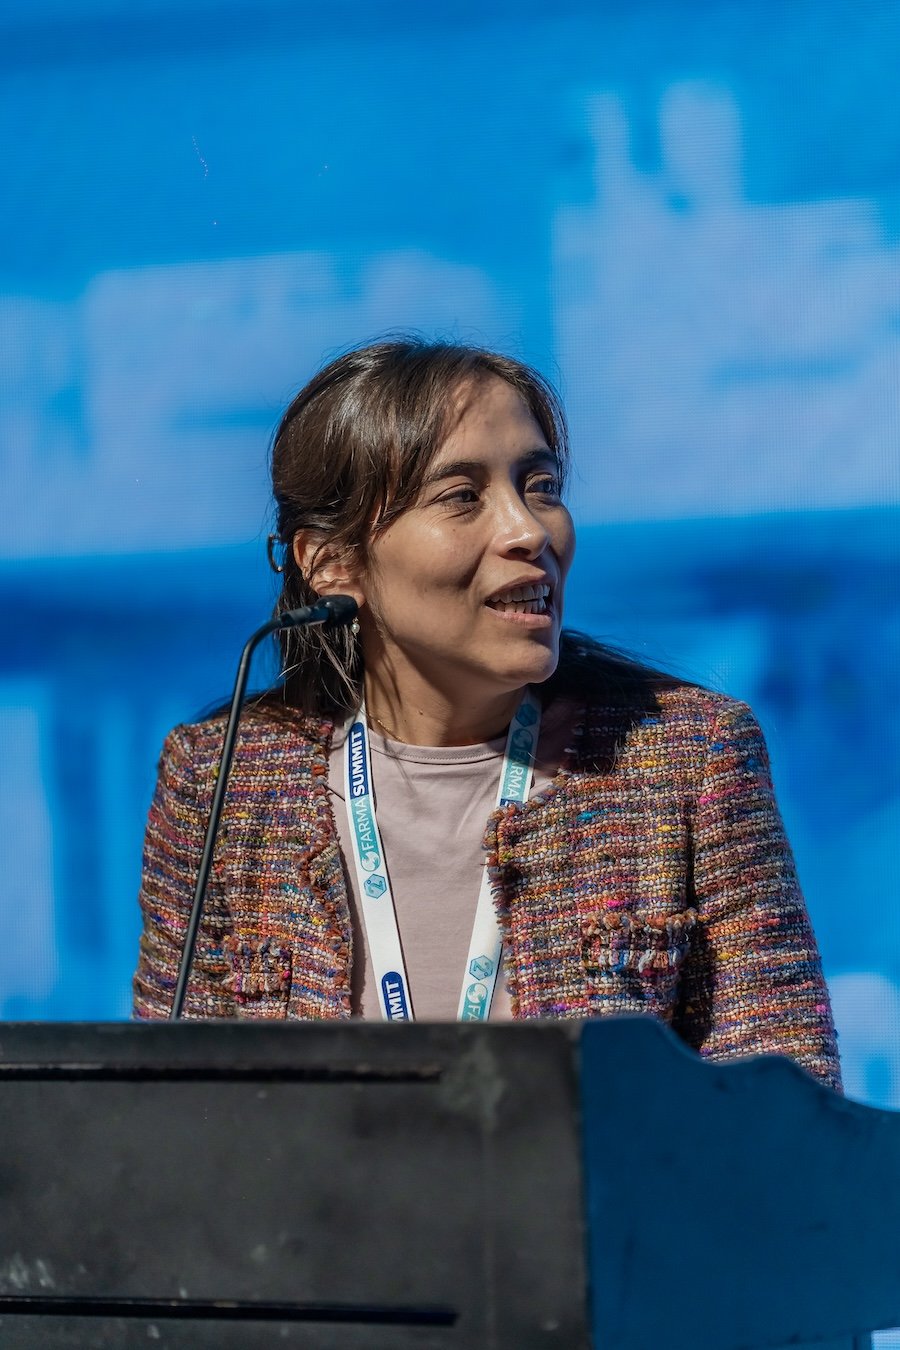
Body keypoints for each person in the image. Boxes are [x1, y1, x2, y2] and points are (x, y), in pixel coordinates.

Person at [133, 337, 841, 1091]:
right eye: (462, 497)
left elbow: (789, 1108)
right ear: (331, 562)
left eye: (541, 486)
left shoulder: (687, 757)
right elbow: (166, 1113)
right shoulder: (221, 782)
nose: (529, 531)